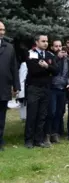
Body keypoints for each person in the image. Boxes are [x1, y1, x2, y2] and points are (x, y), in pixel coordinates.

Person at [25, 33, 59, 148]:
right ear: (37, 42)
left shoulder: (50, 55)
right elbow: (33, 70)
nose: (46, 43)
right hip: (34, 88)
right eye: (43, 41)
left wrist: (47, 67)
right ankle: (29, 140)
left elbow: (56, 71)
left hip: (46, 89)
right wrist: (47, 71)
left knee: (42, 115)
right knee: (32, 114)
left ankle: (38, 139)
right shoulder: (31, 53)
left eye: (47, 41)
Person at [0, 21, 20, 151]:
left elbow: (14, 67)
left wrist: (16, 85)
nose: (1, 32)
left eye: (3, 30)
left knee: (1, 116)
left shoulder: (9, 47)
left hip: (3, 87)